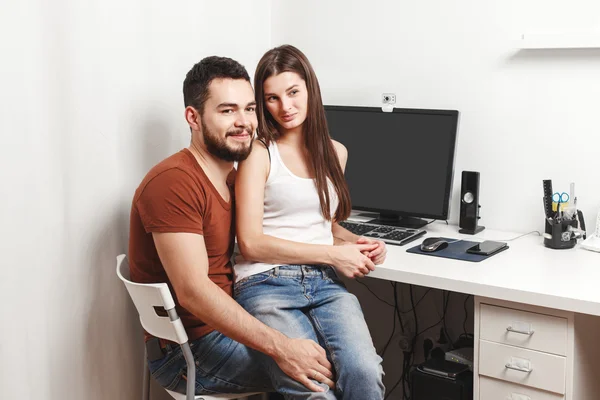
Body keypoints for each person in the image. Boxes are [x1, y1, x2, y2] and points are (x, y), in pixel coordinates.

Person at [128, 56, 338, 397]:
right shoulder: (174, 183)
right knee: (326, 373)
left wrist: (346, 239)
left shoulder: (232, 176)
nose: (244, 123)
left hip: (229, 325)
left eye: (250, 109)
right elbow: (194, 292)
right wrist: (282, 347)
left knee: (351, 359)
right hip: (191, 352)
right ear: (193, 118)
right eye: (227, 111)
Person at [234, 44, 387, 400]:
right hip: (265, 283)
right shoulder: (259, 153)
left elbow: (326, 227)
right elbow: (250, 243)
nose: (284, 107)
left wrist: (358, 243)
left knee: (366, 375)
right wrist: (334, 255)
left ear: (310, 90)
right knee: (315, 391)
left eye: (292, 92)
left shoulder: (336, 152)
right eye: (271, 98)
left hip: (324, 284)